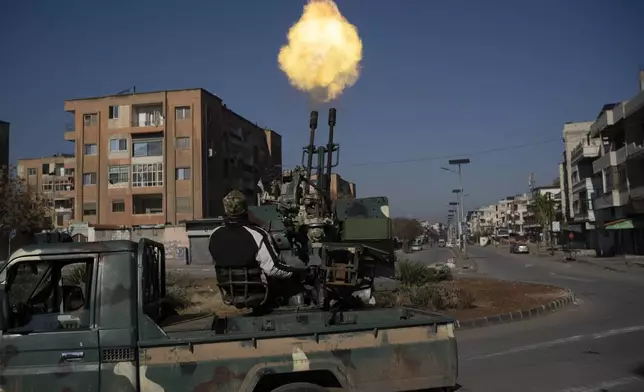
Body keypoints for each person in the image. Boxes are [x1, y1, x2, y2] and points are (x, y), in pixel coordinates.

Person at [208, 190, 306, 293]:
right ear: (246, 210)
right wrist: (297, 271)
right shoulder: (257, 235)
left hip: (229, 289)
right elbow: (273, 269)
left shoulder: (214, 234)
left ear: (225, 209)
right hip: (255, 288)